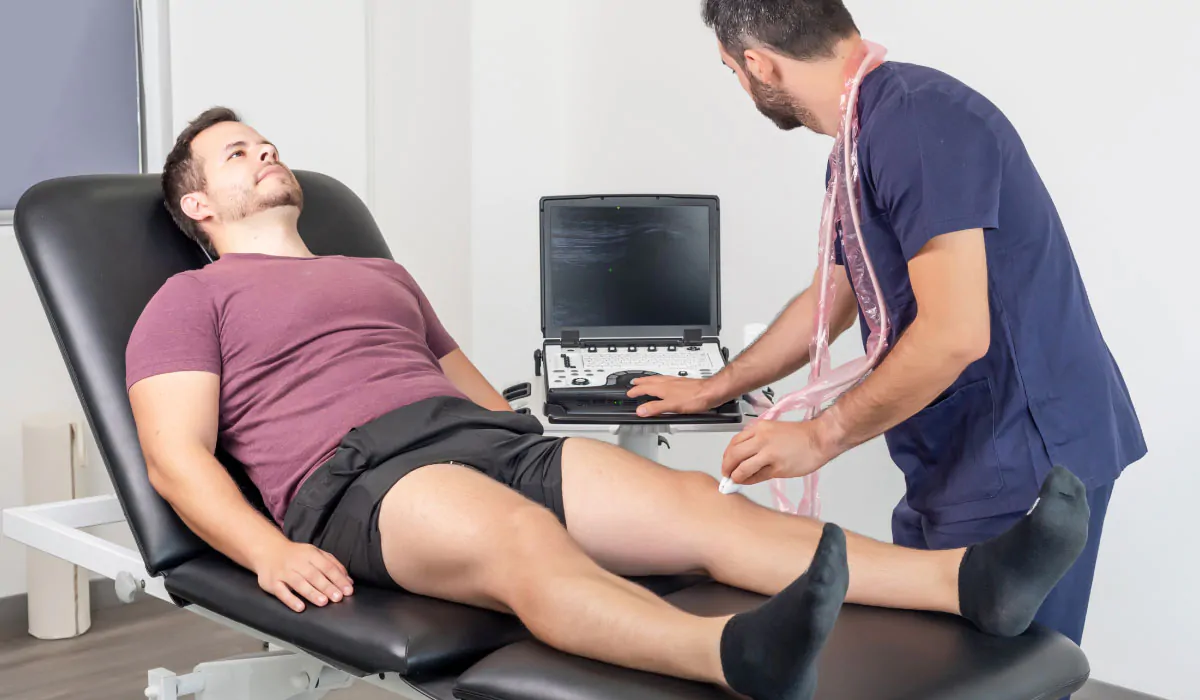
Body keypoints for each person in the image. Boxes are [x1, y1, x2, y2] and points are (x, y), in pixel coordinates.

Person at [126, 106, 1090, 700]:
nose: (264, 155)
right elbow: (178, 457)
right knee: (520, 539)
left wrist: (538, 448)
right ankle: (725, 656)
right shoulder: (190, 299)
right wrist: (270, 551)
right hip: (365, 477)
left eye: (266, 143)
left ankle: (969, 583)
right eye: (235, 154)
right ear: (200, 209)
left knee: (700, 507)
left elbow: (460, 378)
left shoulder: (379, 272)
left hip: (483, 438)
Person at [630, 0, 1146, 649]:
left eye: (732, 70)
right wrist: (714, 386)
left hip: (1028, 459)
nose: (740, 83)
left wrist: (818, 437)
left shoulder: (916, 122)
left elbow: (957, 332)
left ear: (758, 64)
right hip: (953, 457)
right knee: (931, 663)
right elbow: (833, 297)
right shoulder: (860, 142)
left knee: (1002, 682)